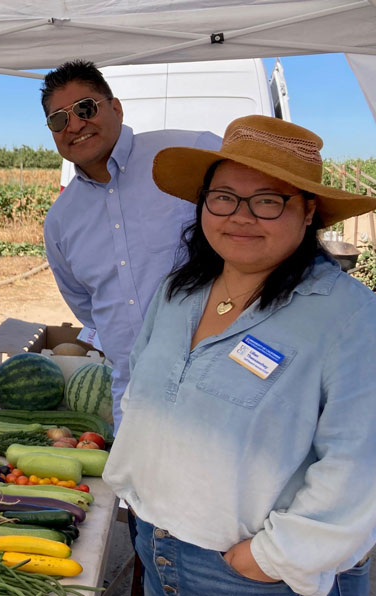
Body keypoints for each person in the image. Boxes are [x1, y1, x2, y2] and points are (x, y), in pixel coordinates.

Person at [103, 115, 376, 596]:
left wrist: (274, 558)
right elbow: (143, 395)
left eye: (268, 201)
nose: (240, 216)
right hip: (154, 541)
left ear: (308, 211)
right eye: (224, 197)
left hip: (251, 576)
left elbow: (360, 463)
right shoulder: (179, 293)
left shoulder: (349, 316)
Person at [40, 60, 222, 431]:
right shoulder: (61, 220)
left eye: (85, 108)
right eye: (59, 120)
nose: (74, 125)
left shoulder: (190, 153)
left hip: (221, 389)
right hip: (134, 402)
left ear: (116, 107)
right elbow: (89, 307)